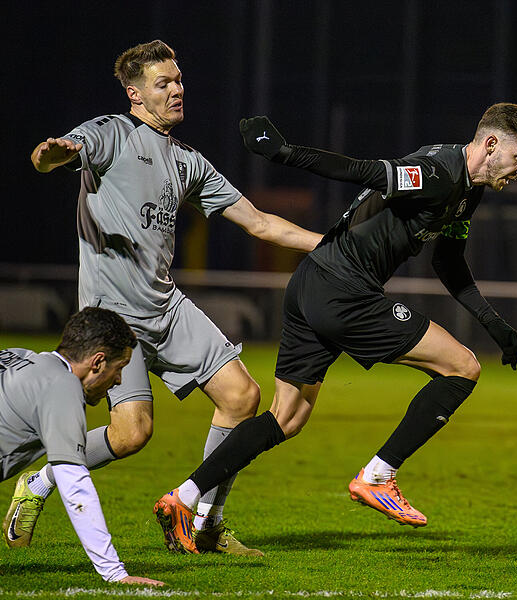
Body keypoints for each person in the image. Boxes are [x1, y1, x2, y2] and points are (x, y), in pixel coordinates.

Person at [151, 102, 517, 553]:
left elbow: (449, 260)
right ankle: (379, 475)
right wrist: (282, 153)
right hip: (344, 291)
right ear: (491, 144)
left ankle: (184, 498)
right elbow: (363, 171)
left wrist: (493, 321)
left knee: (287, 418)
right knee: (462, 367)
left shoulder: (468, 190)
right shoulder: (438, 172)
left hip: (310, 282)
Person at [24, 40, 322, 555]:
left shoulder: (188, 161)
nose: (177, 90)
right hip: (114, 320)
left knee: (242, 396)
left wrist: (335, 246)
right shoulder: (110, 133)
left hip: (166, 305)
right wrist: (50, 156)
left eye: (179, 80)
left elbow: (259, 222)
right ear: (135, 94)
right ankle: (41, 480)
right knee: (132, 434)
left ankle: (206, 522)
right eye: (164, 83)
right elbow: (51, 157)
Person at [1, 308, 162, 586]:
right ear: (98, 362)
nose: (120, 380)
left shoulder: (19, 355)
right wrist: (115, 573)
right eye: (120, 368)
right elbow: (75, 485)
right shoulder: (62, 388)